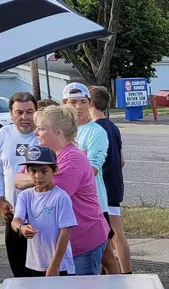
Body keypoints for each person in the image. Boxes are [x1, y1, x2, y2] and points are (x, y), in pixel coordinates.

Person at [30, 105, 109, 275]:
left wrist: (30, 181)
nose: (36, 133)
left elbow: (48, 192)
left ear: (58, 132)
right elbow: (17, 179)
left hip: (82, 242)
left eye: (41, 129)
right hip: (62, 245)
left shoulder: (73, 158)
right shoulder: (49, 155)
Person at [62, 82, 118, 274]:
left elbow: (92, 168)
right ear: (64, 104)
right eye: (72, 102)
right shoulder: (61, 131)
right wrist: (80, 157)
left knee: (107, 257)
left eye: (82, 102)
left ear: (90, 103)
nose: (78, 107)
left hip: (94, 205)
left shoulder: (97, 131)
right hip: (68, 205)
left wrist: (68, 165)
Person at [0, 92, 39, 278]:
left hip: (40, 215)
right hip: (13, 215)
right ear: (11, 114)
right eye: (19, 112)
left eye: (30, 112)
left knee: (40, 271)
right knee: (18, 269)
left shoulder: (43, 135)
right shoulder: (3, 134)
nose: (25, 117)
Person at [11, 146, 77, 276]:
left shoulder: (60, 197)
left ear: (55, 170)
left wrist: (55, 265)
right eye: (33, 171)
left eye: (44, 171)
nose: (38, 176)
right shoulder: (25, 196)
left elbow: (65, 233)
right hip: (35, 262)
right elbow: (16, 220)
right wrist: (21, 228)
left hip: (59, 264)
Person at [89, 85, 130, 273]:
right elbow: (121, 160)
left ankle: (124, 271)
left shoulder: (95, 130)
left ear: (90, 103)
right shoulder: (112, 127)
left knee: (115, 233)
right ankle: (115, 269)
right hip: (114, 184)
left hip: (103, 188)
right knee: (113, 233)